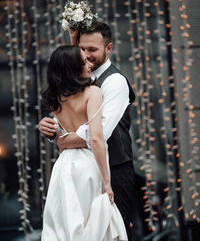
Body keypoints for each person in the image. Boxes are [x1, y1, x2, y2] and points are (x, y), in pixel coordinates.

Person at [39, 22, 135, 241]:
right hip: (82, 170)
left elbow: (100, 132)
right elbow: (73, 128)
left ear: (108, 48)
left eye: (92, 50)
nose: (86, 55)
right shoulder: (76, 85)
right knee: (78, 230)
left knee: (112, 232)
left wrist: (63, 141)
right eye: (81, 50)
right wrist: (54, 134)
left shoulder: (115, 81)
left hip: (114, 169)